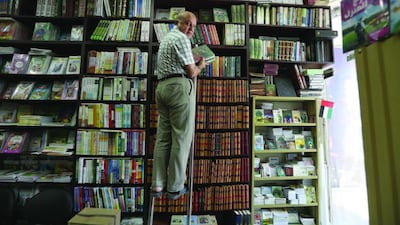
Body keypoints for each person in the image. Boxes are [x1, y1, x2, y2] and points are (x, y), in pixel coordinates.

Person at [151, 11, 207, 200]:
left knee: (163, 137)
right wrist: (201, 66)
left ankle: (158, 184)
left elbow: (178, 59)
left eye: (193, 25)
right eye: (188, 24)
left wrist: (193, 57)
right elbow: (191, 72)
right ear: (178, 22)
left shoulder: (167, 38)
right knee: (181, 137)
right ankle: (175, 186)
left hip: (162, 88)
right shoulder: (182, 38)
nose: (191, 28)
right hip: (178, 88)